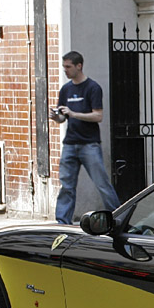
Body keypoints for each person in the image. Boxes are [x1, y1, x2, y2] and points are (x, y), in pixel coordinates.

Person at [51, 51, 121, 224]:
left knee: (102, 184)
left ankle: (118, 217)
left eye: (68, 67)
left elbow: (98, 116)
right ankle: (62, 222)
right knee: (66, 186)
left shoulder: (93, 88)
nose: (65, 70)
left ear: (79, 66)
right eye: (64, 67)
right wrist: (56, 117)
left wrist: (74, 113)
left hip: (89, 144)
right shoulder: (66, 89)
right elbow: (62, 118)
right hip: (70, 144)